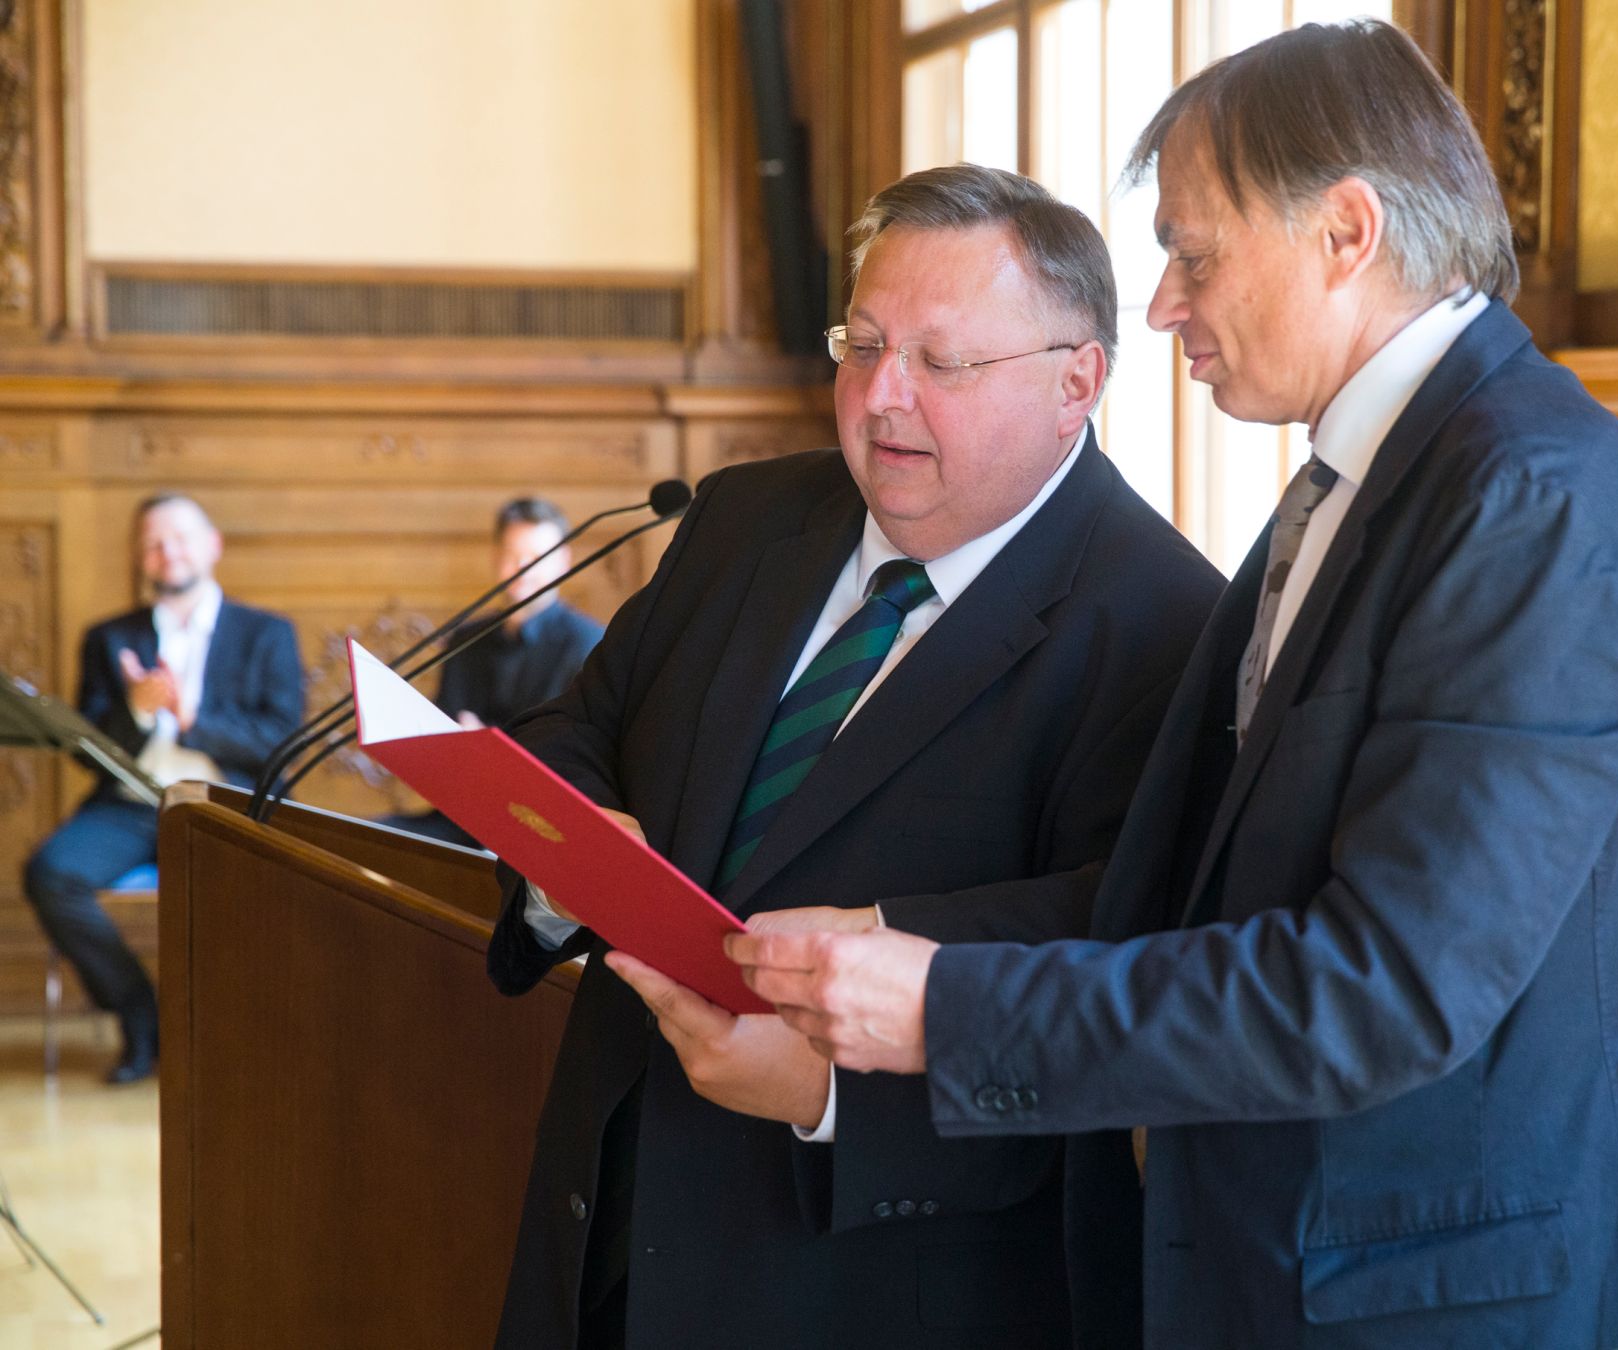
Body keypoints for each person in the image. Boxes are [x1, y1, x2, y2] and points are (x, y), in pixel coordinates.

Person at [730, 21, 1618, 1349]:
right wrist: (897, 937)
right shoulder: (1365, 481)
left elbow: (1388, 987)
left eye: (1193, 252)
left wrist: (949, 1007)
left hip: (1431, 1306)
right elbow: (1198, 885)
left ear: (1345, 233)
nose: (1167, 303)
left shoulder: (1530, 495)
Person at [485, 164, 1223, 1349]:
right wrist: (563, 855)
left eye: (941, 362)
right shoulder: (742, 519)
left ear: (1074, 381)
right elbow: (585, 724)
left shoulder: (1164, 625)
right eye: (863, 344)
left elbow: (1112, 971)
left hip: (872, 1282)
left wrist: (828, 1093)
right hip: (605, 1235)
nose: (881, 398)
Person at [24, 493, 304, 1084]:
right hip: (132, 805)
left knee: (280, 889)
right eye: (152, 543)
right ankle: (142, 1016)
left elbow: (281, 740)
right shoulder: (108, 638)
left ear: (212, 546)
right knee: (50, 872)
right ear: (139, 558)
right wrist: (135, 709)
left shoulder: (267, 634)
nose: (166, 552)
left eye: (178, 539)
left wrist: (189, 714)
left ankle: (235, 1038)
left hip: (224, 807)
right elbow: (88, 751)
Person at [381, 497, 604, 847]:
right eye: (512, 556)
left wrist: (488, 747)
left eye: (536, 559)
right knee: (363, 837)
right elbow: (441, 743)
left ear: (564, 562)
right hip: (463, 818)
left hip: (542, 829)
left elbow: (575, 760)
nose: (523, 570)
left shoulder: (588, 644)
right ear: (495, 559)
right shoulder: (467, 638)